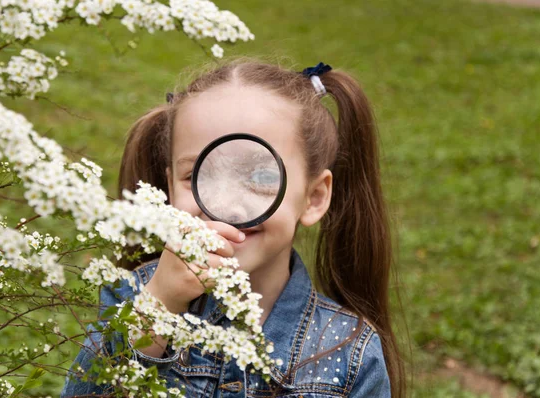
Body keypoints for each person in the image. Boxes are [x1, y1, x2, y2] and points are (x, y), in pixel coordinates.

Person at [61, 59, 407, 397]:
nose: (226, 204)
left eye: (261, 177)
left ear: (314, 197)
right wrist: (155, 311)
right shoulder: (135, 295)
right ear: (171, 188)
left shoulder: (348, 351)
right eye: (199, 174)